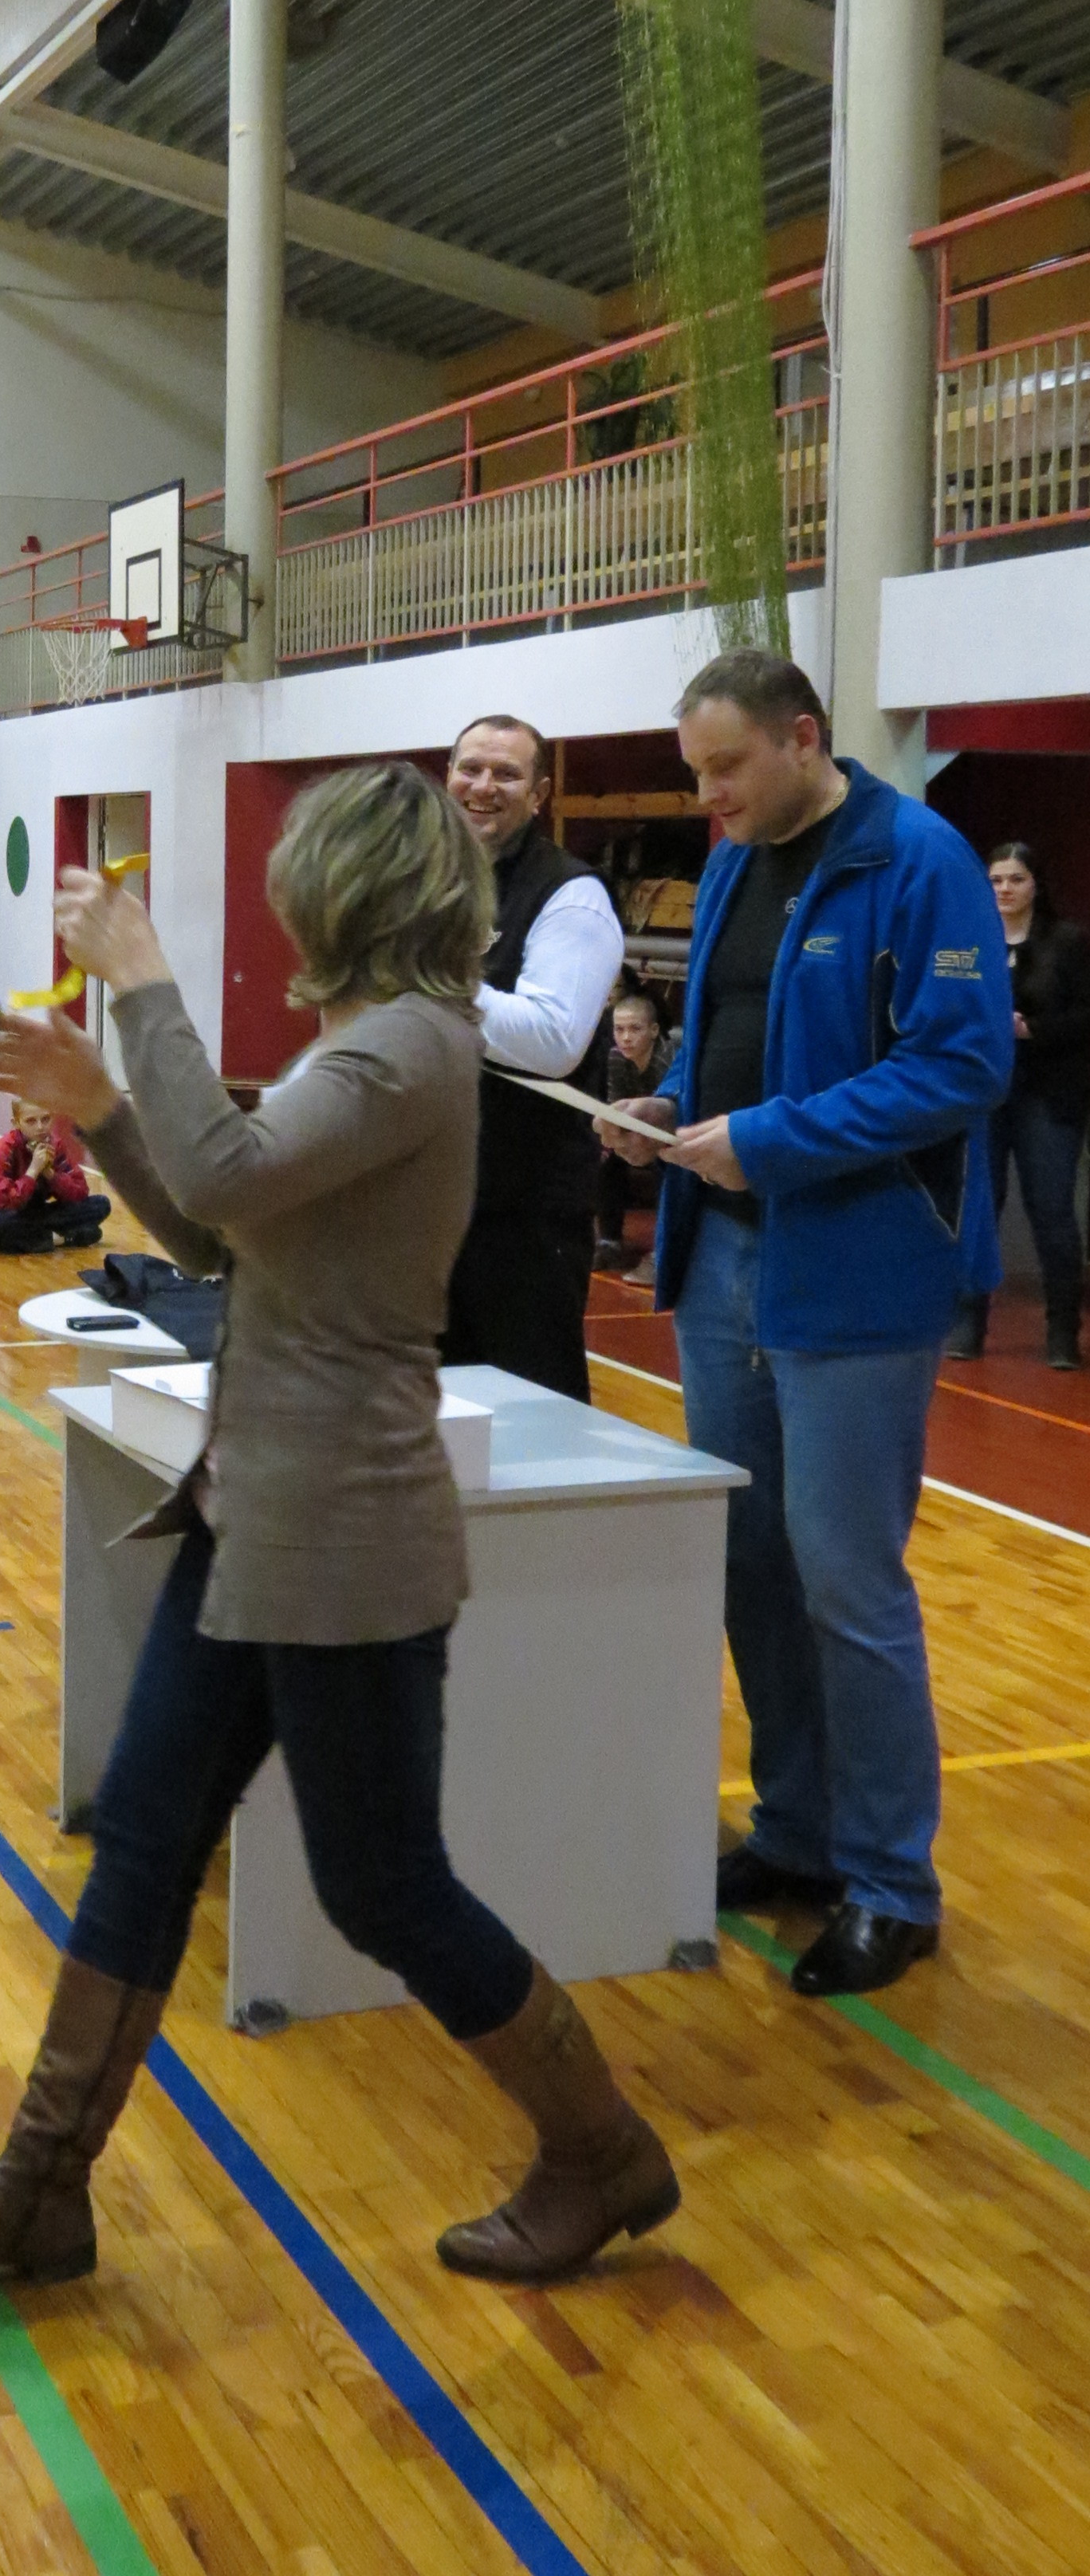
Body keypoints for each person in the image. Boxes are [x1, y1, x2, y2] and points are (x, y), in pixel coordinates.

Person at [0, 768, 679, 2291]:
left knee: (383, 1886)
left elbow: (224, 1174)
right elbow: (217, 1232)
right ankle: (40, 2184)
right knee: (146, 1834)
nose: (277, 890)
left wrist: (142, 984)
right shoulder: (371, 1043)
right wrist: (101, 1107)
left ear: (346, 888)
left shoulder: (409, 1046)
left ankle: (598, 2148)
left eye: (297, 870)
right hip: (258, 1511)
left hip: (341, 1532)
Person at [600, 651, 1013, 2000]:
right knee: (751, 1565)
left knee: (845, 1579)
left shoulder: (920, 860)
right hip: (724, 1258)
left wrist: (768, 1141)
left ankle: (890, 1884)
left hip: (854, 1276)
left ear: (802, 737)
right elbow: (728, 1036)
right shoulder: (734, 860)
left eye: (725, 768)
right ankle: (795, 1831)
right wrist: (666, 1104)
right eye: (694, 774)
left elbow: (960, 1064)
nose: (706, 797)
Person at [442, 716, 624, 1397]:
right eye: (470, 768)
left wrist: (426, 975)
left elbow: (552, 1041)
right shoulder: (423, 880)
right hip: (427, 1205)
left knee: (528, 1421)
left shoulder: (572, 895)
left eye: (507, 774)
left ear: (541, 794)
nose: (483, 786)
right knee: (423, 1422)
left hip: (523, 1223)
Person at [946, 841, 1088, 1371]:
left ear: (1036, 885)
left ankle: (1062, 1331)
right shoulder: (969, 940)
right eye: (996, 880)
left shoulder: (1068, 942)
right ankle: (969, 1322)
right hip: (985, 1095)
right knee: (978, 1209)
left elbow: (1085, 1018)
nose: (1004, 889)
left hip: (1048, 1095)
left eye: (1016, 879)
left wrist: (1033, 1030)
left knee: (1052, 1212)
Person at [596, 985, 676, 1275]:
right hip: (639, 1131)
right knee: (607, 1157)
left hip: (674, 1133)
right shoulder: (616, 1058)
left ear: (654, 1031)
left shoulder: (668, 1059)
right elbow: (614, 1106)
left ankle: (664, 1253)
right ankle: (609, 1241)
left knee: (669, 1167)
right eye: (619, 1029)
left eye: (635, 1029)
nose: (626, 1037)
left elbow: (677, 1113)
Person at [0, 1099, 111, 1255]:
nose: (40, 1127)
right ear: (16, 1123)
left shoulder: (56, 1145)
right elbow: (2, 1202)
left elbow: (80, 1192)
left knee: (101, 1205)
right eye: (31, 1121)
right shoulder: (2, 1151)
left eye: (45, 1119)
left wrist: (51, 1175)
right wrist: (33, 1171)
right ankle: (62, 1238)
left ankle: (27, 1239)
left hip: (34, 1214)